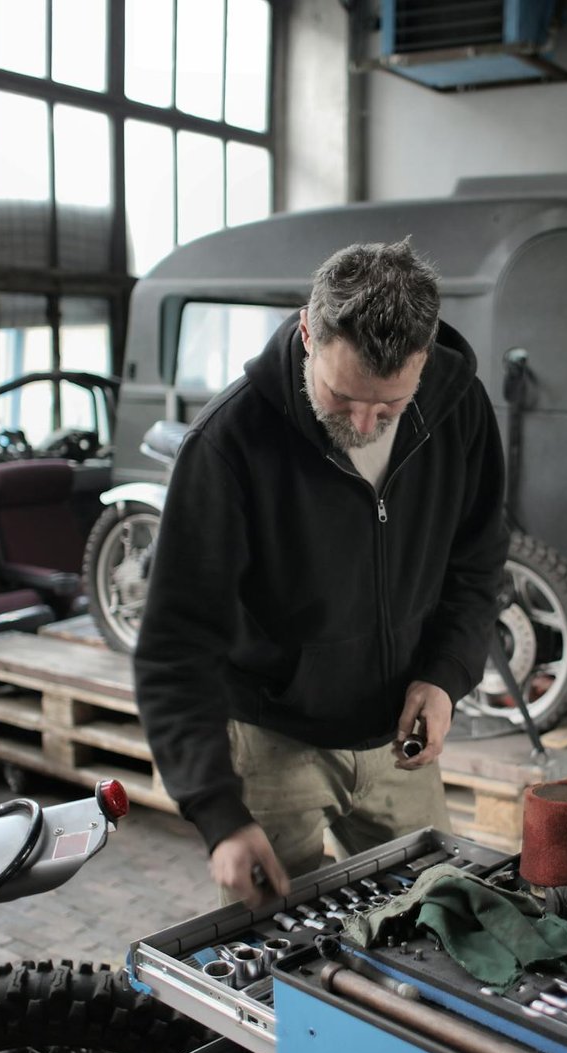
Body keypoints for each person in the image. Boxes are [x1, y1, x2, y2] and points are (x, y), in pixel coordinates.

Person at [134, 239, 508, 907]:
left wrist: (446, 674)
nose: (363, 424)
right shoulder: (229, 442)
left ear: (423, 360)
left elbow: (476, 563)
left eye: (387, 408)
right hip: (273, 743)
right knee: (277, 957)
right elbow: (175, 645)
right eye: (342, 398)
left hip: (399, 741)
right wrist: (218, 813)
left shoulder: (460, 411)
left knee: (442, 922)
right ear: (309, 331)